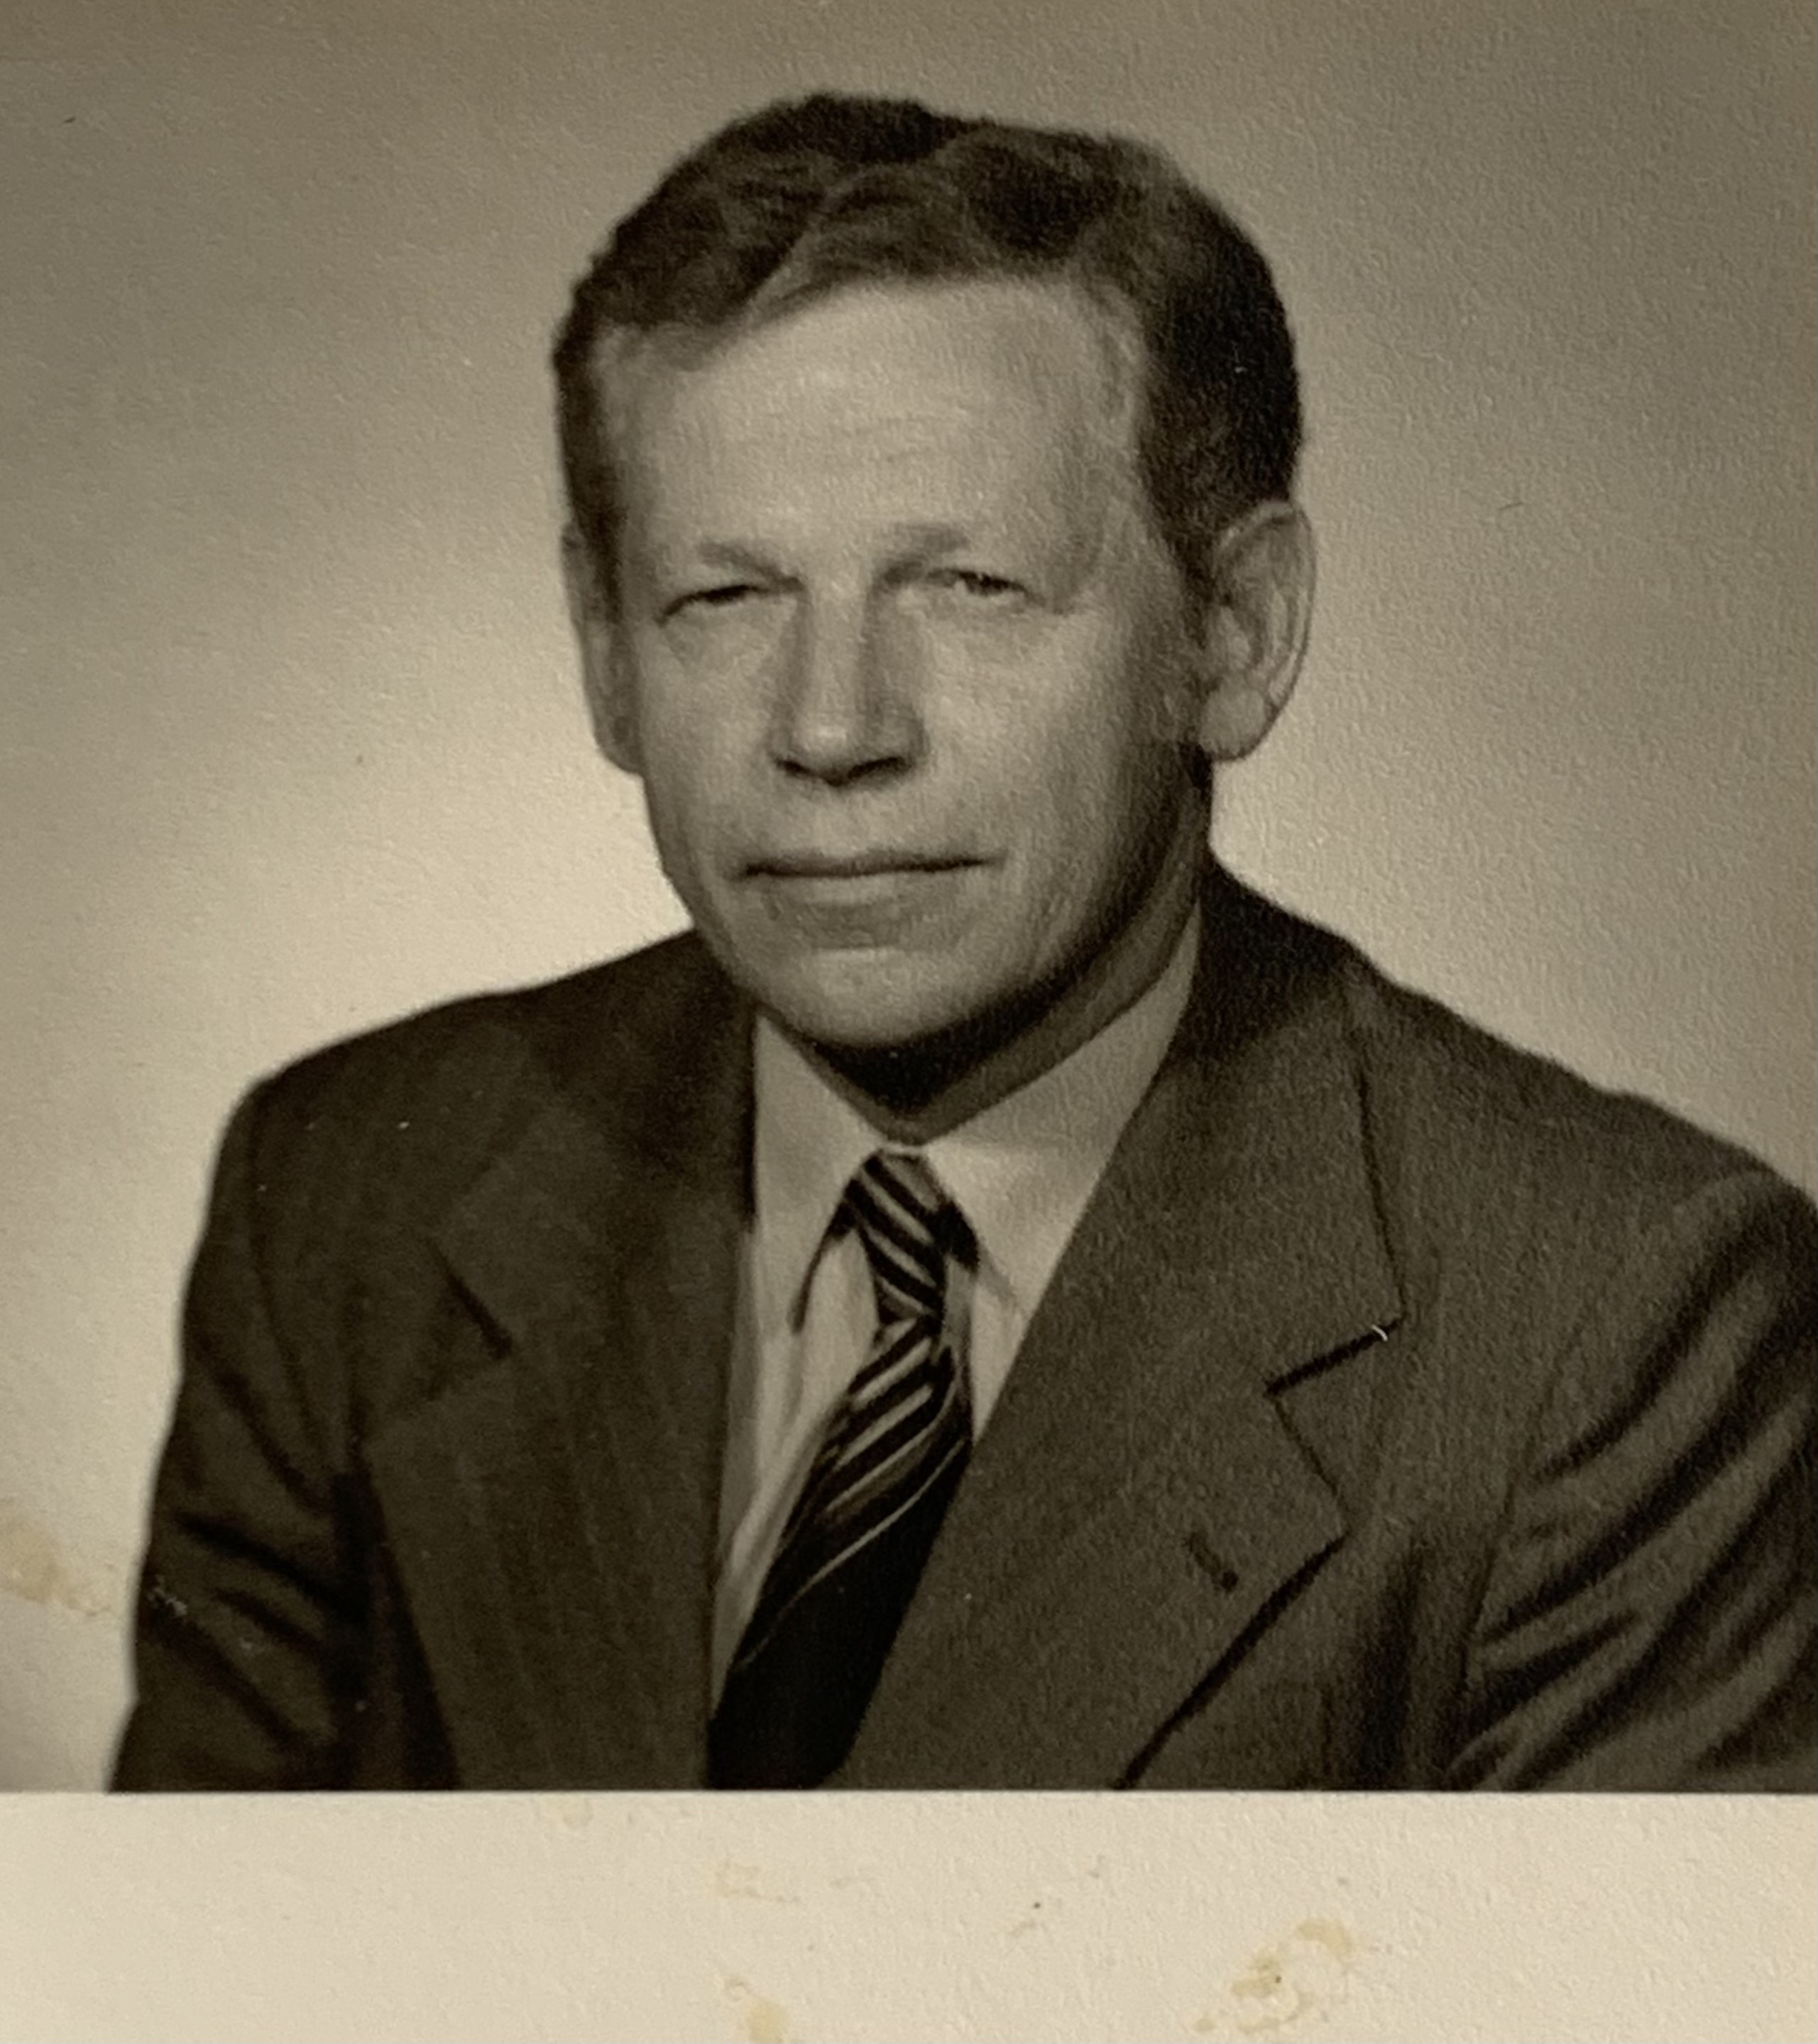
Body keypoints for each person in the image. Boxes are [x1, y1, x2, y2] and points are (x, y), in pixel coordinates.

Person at [113, 92, 1816, 1791]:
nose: (833, 728)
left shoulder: (1610, 1325)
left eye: (969, 588)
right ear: (607, 655)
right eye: (725, 597)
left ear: (1234, 634)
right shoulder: (346, 1204)